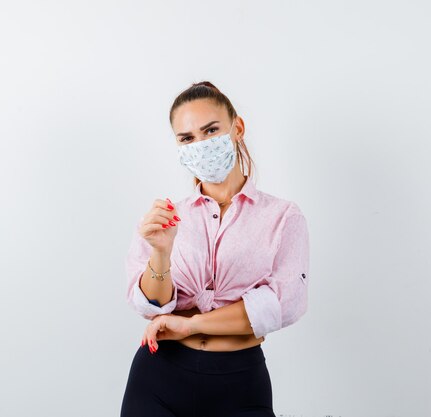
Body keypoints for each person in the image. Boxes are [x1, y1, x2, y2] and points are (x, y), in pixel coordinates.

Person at [120, 81, 310, 417]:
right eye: (187, 138)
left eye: (210, 130)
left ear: (237, 128)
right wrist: (161, 253)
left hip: (239, 382)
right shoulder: (165, 217)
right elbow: (150, 306)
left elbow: (284, 304)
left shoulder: (281, 216)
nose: (200, 145)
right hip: (159, 376)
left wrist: (192, 324)